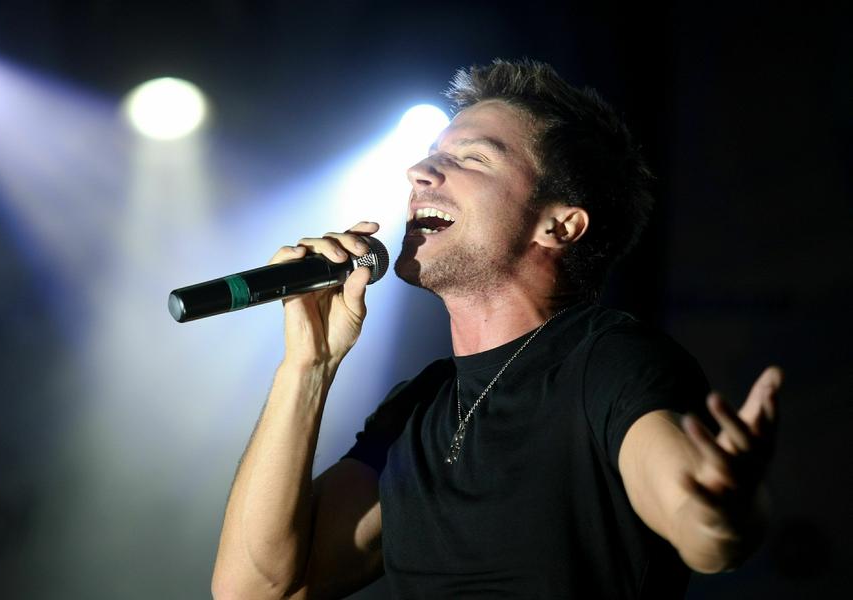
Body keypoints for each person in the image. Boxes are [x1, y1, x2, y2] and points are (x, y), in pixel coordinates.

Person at [210, 59, 781, 600]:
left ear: (558, 226)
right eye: (431, 156)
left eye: (472, 158)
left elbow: (693, 518)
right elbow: (256, 589)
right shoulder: (418, 408)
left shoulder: (609, 360)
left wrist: (719, 516)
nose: (418, 173)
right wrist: (308, 366)